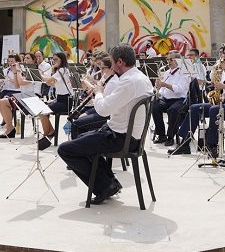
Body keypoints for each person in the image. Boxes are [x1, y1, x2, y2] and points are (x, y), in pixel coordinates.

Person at [58, 44, 153, 205]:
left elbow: (102, 110)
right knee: (82, 138)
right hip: (128, 136)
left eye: (112, 61)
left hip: (120, 138)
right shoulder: (141, 77)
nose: (110, 66)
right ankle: (110, 182)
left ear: (120, 62)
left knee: (65, 149)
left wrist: (99, 92)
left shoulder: (128, 82)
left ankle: (104, 186)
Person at [171, 44, 225, 157]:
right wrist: (221, 95)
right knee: (194, 108)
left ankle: (213, 145)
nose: (223, 56)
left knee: (214, 110)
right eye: (223, 53)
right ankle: (184, 143)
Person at [68, 53, 118, 139]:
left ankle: (78, 147)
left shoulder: (112, 83)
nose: (101, 70)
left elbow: (104, 104)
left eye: (103, 68)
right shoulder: (106, 78)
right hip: (100, 109)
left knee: (76, 124)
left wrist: (93, 100)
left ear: (111, 68)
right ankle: (82, 142)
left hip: (106, 114)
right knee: (79, 116)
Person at [150, 50, 188, 147]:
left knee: (173, 110)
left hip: (180, 99)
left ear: (178, 60)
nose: (169, 62)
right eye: (168, 60)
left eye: (171, 59)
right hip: (167, 99)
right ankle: (161, 134)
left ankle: (171, 136)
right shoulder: (167, 72)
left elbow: (180, 89)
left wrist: (165, 84)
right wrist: (158, 92)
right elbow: (162, 89)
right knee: (154, 107)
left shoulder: (184, 72)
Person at [37, 51, 72, 149]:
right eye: (53, 59)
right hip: (60, 98)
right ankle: (50, 132)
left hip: (66, 101)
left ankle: (48, 133)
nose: (54, 61)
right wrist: (48, 81)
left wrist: (40, 74)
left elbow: (49, 80)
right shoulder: (59, 70)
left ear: (62, 60)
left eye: (56, 59)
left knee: (42, 111)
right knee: (41, 108)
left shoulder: (62, 70)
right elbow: (53, 84)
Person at [0, 54, 30, 138]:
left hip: (15, 91)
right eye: (9, 61)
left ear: (16, 62)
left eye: (12, 61)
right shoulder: (5, 70)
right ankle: (7, 121)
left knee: (4, 100)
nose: (10, 63)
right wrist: (1, 83)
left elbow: (18, 85)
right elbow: (0, 84)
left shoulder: (20, 71)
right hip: (6, 90)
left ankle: (8, 125)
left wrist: (11, 79)